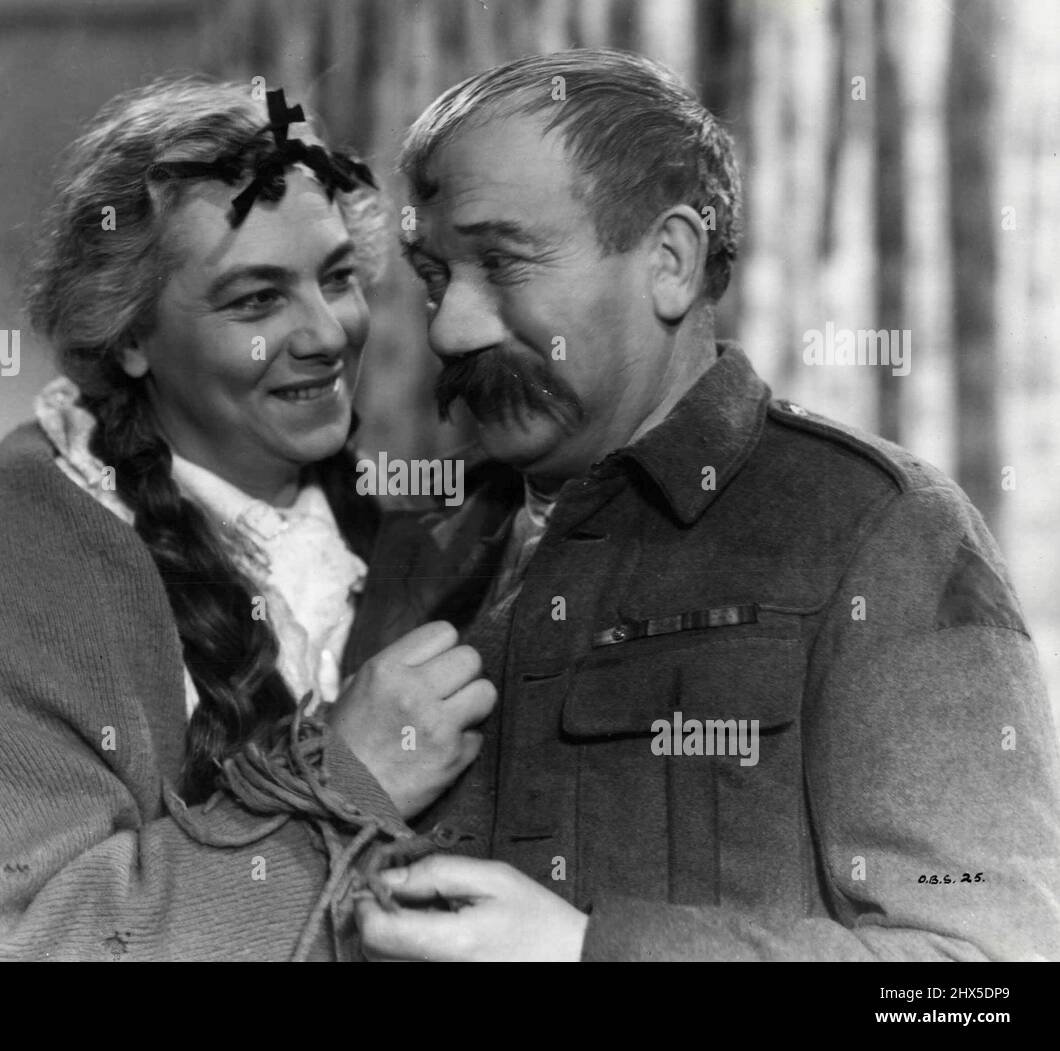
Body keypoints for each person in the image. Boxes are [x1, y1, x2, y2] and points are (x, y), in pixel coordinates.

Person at [345, 48, 1060, 961]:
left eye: (503, 262)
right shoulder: (418, 549)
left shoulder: (881, 530)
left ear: (671, 262)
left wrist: (585, 952)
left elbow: (976, 986)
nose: (450, 327)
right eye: (436, 274)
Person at [0, 76, 493, 961]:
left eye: (335, 277)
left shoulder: (399, 521)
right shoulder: (10, 558)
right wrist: (340, 781)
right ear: (131, 334)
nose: (327, 334)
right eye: (255, 299)